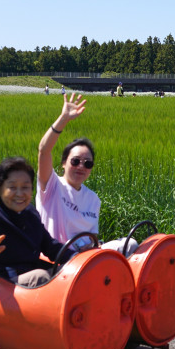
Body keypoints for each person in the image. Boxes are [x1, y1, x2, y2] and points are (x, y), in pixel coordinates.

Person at [35, 93, 132, 252]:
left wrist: (92, 249)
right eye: (75, 161)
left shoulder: (93, 200)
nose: (81, 166)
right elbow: (44, 151)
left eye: (87, 163)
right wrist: (63, 119)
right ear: (64, 163)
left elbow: (92, 238)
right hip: (57, 259)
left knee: (130, 244)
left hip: (85, 259)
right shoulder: (52, 185)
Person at [0, 156, 65, 288]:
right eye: (12, 187)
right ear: (0, 188)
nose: (20, 194)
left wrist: (78, 258)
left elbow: (51, 247)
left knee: (70, 274)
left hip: (31, 276)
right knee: (40, 277)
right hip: (1, 283)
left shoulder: (30, 213)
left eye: (25, 187)